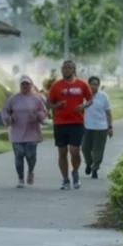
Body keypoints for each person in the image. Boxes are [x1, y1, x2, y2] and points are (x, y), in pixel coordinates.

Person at [45, 60, 93, 190]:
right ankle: (65, 179)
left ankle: (75, 172)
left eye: (69, 68)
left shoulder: (82, 84)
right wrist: (56, 106)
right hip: (60, 122)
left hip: (76, 122)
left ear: (73, 69)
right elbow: (48, 103)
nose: (66, 70)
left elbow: (90, 99)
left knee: (74, 150)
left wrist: (83, 106)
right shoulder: (56, 86)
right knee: (62, 152)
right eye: (64, 68)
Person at [1, 75, 48, 187]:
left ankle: (30, 171)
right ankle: (20, 179)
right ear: (20, 85)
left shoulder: (36, 99)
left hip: (32, 131)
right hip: (17, 131)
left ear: (31, 85)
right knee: (19, 155)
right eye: (23, 84)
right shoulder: (13, 98)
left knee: (31, 156)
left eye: (27, 84)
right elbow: (5, 110)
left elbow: (44, 111)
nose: (25, 86)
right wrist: (7, 118)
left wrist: (39, 116)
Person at [81, 76, 113, 179]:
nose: (93, 86)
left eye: (96, 84)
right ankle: (89, 163)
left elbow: (108, 113)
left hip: (101, 128)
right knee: (85, 147)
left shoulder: (104, 96)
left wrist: (110, 127)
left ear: (98, 85)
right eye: (92, 84)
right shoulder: (84, 96)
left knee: (98, 150)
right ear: (88, 84)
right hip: (87, 127)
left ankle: (95, 168)